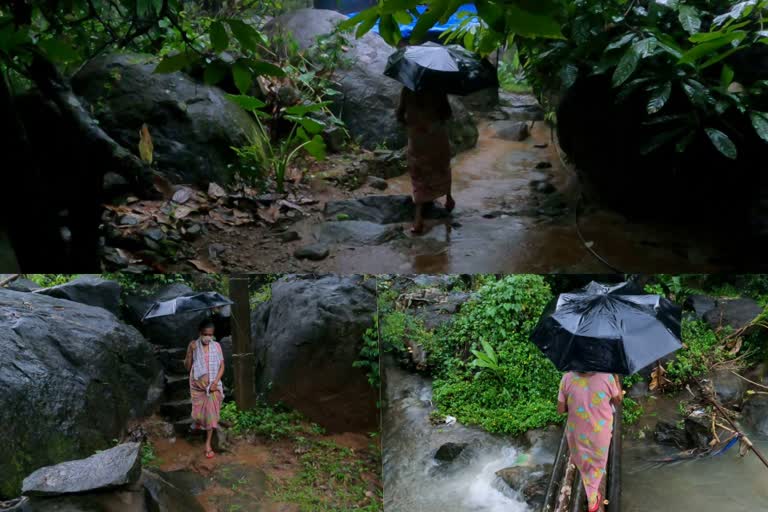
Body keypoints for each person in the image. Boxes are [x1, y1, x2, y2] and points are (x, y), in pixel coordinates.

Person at [557, 372, 623, 512]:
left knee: (583, 462)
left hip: (577, 433)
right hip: (600, 434)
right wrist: (616, 379)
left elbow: (561, 410)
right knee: (597, 465)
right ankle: (593, 500)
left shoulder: (567, 378)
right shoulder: (607, 377)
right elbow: (617, 400)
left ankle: (591, 493)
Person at [396, 86, 454, 234]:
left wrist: (414, 123)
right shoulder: (438, 89)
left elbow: (400, 115)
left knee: (419, 174)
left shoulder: (408, 89)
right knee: (442, 167)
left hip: (417, 139)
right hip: (437, 136)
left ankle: (418, 219)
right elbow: (447, 113)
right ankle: (448, 199)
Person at [184, 319, 225, 459]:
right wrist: (190, 351)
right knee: (198, 415)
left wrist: (215, 382)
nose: (208, 337)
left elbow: (222, 366)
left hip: (213, 387)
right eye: (205, 334)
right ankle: (199, 423)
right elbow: (188, 368)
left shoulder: (217, 346)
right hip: (198, 387)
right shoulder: (194, 345)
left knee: (211, 414)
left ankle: (207, 443)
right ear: (200, 333)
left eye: (211, 334)